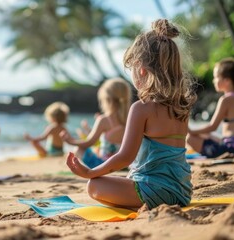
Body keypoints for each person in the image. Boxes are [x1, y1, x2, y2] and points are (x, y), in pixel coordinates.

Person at [66, 19, 197, 210]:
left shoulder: (141, 108)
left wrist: (90, 172)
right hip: (182, 192)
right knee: (119, 180)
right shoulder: (181, 106)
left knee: (94, 185)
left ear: (141, 69)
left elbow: (124, 157)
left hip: (154, 191)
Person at [187, 58, 234, 158]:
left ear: (227, 81)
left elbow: (212, 127)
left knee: (190, 138)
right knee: (206, 136)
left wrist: (190, 131)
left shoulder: (226, 99)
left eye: (216, 77)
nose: (213, 81)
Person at [62, 78, 132, 168]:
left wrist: (70, 141)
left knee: (79, 149)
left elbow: (89, 142)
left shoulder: (104, 120)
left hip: (105, 166)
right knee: (97, 149)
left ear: (107, 100)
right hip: (125, 165)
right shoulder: (132, 118)